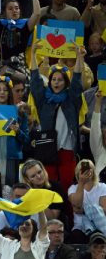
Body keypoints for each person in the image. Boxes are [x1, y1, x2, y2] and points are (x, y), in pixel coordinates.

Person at [29, 43, 86, 192]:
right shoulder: (44, 100)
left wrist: (79, 57)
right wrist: (33, 54)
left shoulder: (71, 100)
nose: (56, 82)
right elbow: (35, 82)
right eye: (53, 79)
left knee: (67, 186)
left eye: (60, 80)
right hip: (48, 150)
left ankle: (67, 215)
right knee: (49, 187)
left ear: (65, 82)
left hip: (67, 149)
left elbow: (77, 82)